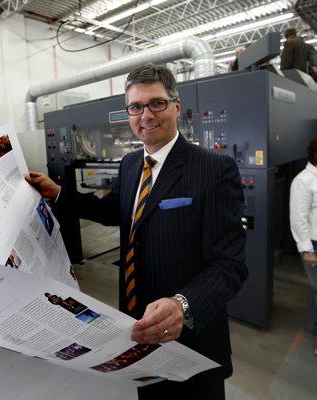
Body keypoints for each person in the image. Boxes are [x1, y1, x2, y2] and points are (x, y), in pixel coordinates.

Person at [26, 63, 247, 398]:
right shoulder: (130, 164)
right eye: (135, 107)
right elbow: (118, 210)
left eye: (156, 103)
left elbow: (229, 265)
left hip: (189, 337)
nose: (146, 115)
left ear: (176, 105)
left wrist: (182, 305)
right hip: (137, 327)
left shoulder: (214, 168)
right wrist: (58, 193)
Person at [289, 136, 317, 359]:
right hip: (313, 245)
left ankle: (312, 325)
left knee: (316, 290)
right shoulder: (304, 180)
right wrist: (307, 250)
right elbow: (298, 218)